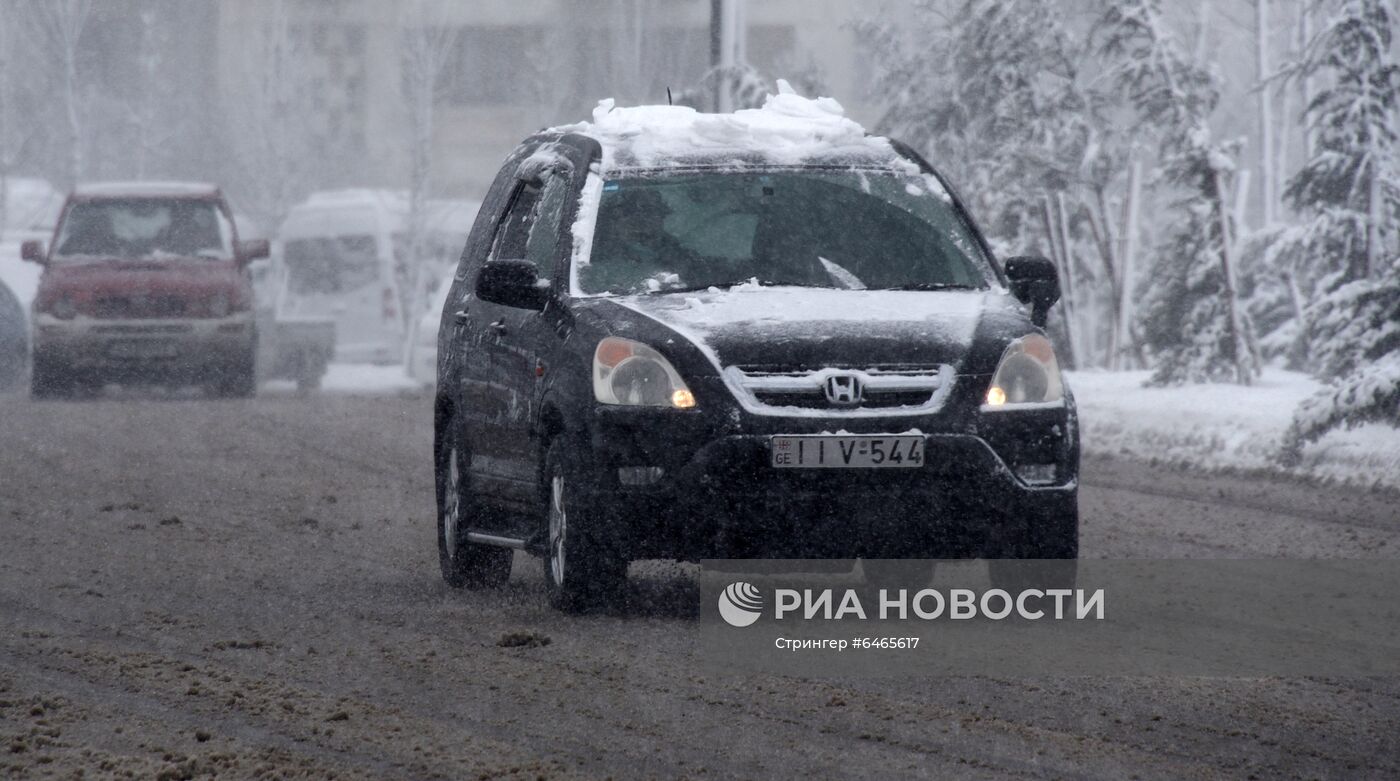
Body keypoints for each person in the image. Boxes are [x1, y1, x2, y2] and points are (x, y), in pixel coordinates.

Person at [582, 186, 698, 293]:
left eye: (651, 214)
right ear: (613, 223)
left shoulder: (683, 257)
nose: (644, 225)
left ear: (662, 218)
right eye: (633, 219)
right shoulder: (592, 259)